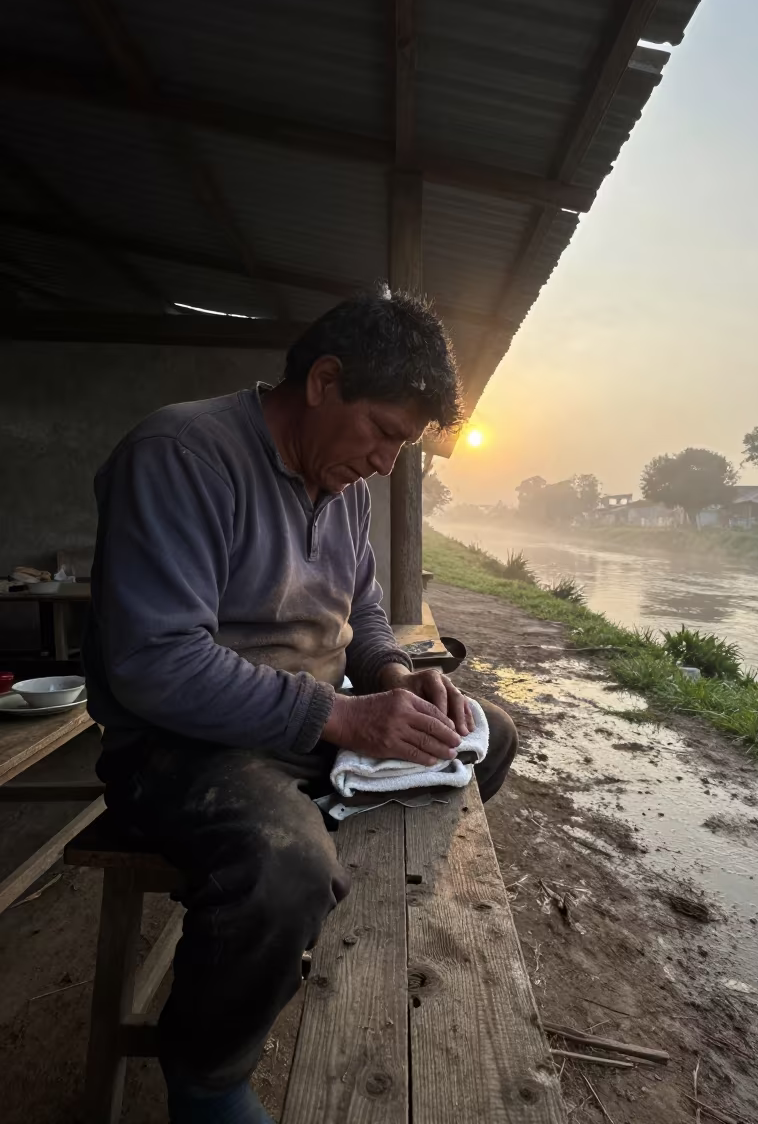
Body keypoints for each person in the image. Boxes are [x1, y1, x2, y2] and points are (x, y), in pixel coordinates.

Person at [83, 288, 518, 1124]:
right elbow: (156, 663)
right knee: (285, 863)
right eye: (385, 433)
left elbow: (363, 619)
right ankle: (206, 1081)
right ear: (324, 382)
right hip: (180, 746)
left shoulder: (344, 484)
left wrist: (392, 678)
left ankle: (322, 911)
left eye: (405, 446)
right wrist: (347, 719)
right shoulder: (182, 453)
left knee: (486, 736)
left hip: (309, 722)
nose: (388, 463)